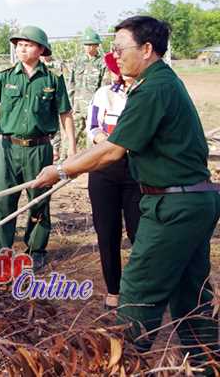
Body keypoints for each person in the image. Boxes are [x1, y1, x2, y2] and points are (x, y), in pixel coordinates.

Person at [32, 16, 220, 363]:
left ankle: (123, 365)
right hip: (191, 201)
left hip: (174, 207)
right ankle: (209, 364)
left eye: (120, 49)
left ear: (147, 49)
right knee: (189, 297)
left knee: (137, 294)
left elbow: (113, 149)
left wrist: (60, 170)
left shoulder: (153, 88)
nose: (114, 55)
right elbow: (111, 145)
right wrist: (69, 166)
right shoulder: (159, 83)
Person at [0, 26, 76, 271]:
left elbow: (65, 114)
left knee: (38, 200)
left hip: (39, 149)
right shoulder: (5, 76)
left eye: (28, 44)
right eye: (19, 44)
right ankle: (3, 251)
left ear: (41, 49)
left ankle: (36, 250)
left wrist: (71, 149)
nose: (22, 48)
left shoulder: (53, 79)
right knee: (3, 201)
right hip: (9, 149)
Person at [85, 56, 141, 309]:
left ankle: (140, 288)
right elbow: (93, 126)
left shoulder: (145, 95)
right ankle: (114, 290)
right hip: (104, 168)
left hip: (137, 170)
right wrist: (106, 143)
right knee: (107, 232)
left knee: (138, 232)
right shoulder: (104, 94)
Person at [67, 27, 107, 153]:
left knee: (92, 138)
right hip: (77, 105)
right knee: (71, 136)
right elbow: (71, 83)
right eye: (86, 45)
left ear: (97, 46)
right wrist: (70, 102)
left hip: (93, 107)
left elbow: (104, 87)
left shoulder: (102, 62)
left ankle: (91, 167)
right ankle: (63, 163)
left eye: (92, 45)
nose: (89, 48)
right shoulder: (77, 61)